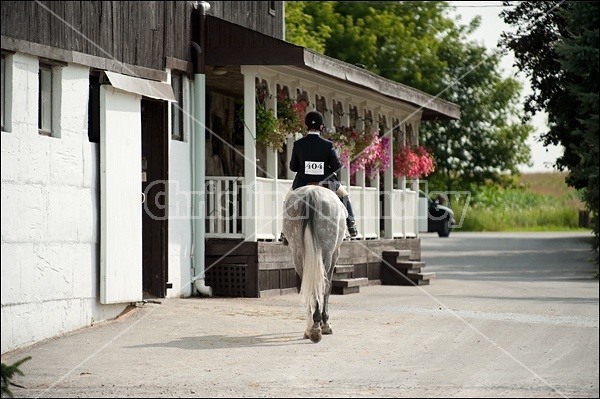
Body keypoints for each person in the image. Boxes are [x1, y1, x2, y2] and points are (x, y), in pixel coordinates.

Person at [280, 111, 358, 245]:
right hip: (326, 182)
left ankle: (285, 232)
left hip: (302, 182)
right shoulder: (327, 145)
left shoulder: (298, 144)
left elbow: (293, 167)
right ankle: (351, 225)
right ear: (321, 127)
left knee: (287, 199)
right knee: (345, 196)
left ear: (306, 126)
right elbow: (336, 167)